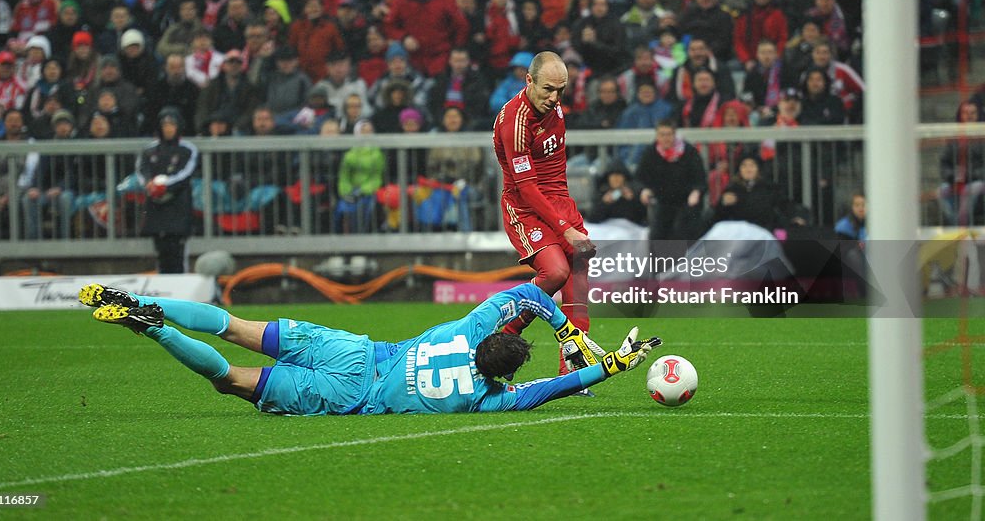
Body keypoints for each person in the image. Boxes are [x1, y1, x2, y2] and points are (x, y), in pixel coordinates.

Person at [78, 280, 660, 415]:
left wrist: (565, 329)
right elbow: (557, 387)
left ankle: (147, 303)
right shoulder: (490, 401)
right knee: (230, 377)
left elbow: (529, 290)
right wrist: (610, 368)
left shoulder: (463, 331)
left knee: (234, 324)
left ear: (492, 339)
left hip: (354, 351)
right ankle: (151, 329)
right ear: (501, 378)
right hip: (352, 394)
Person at [492, 51, 597, 375]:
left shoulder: (552, 104)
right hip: (525, 206)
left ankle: (574, 367)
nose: (554, 98)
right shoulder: (517, 123)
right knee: (555, 272)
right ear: (529, 81)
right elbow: (527, 188)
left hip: (557, 200)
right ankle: (506, 335)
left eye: (561, 91)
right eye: (548, 89)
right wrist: (565, 228)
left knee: (579, 264)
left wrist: (566, 219)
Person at [137, 107, 198, 273]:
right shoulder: (149, 150)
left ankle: (181, 287)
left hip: (178, 204)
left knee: (178, 249)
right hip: (156, 206)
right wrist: (149, 184)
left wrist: (165, 185)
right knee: (160, 249)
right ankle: (164, 288)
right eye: (165, 125)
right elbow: (141, 170)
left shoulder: (187, 149)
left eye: (172, 124)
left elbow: (186, 173)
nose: (168, 128)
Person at [635, 119, 706, 243]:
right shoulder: (651, 153)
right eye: (662, 135)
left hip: (686, 202)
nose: (666, 138)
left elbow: (700, 179)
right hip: (661, 201)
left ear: (674, 134)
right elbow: (640, 178)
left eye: (669, 134)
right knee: (657, 233)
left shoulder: (689, 152)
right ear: (657, 136)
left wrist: (696, 192)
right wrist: (644, 190)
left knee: (683, 230)